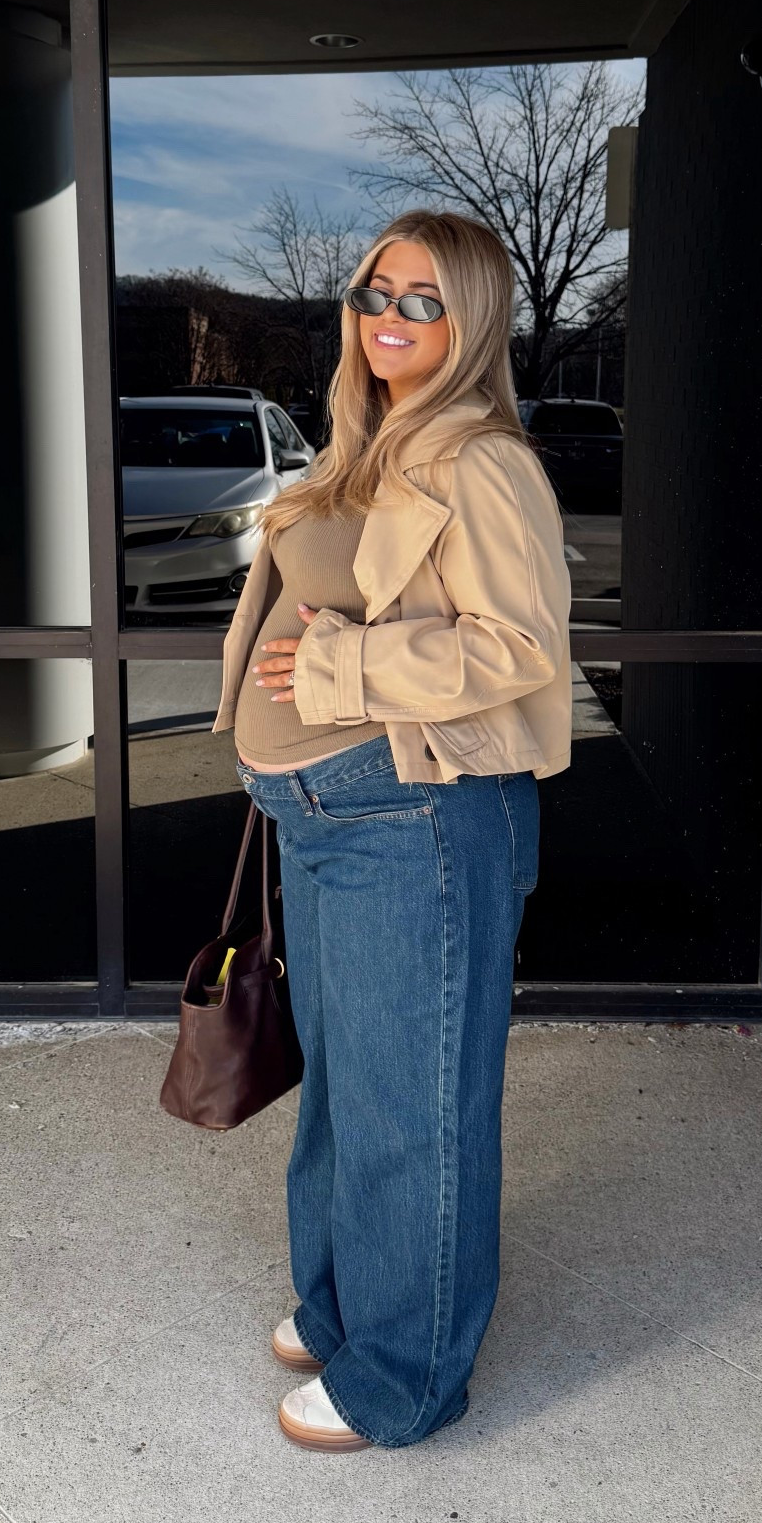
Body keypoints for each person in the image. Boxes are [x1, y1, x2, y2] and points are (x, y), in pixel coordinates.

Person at [210, 207, 573, 1452]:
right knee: (342, 1092)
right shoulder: (367, 442)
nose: (392, 314)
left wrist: (342, 666)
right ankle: (343, 1299)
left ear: (470, 320)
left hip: (415, 817)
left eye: (426, 297)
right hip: (327, 814)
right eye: (376, 288)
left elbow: (523, 652)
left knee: (412, 1101)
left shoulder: (482, 459)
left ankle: (407, 1372)